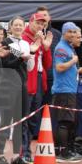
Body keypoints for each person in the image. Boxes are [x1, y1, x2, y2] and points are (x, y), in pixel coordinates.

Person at [52, 22, 82, 162]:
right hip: (64, 90)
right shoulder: (62, 48)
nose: (75, 36)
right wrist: (73, 61)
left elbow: (67, 70)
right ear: (65, 33)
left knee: (70, 121)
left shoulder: (68, 47)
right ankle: (63, 153)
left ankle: (68, 150)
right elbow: (59, 67)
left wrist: (79, 70)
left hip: (69, 89)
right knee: (65, 121)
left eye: (76, 33)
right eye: (72, 33)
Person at [0, 16, 31, 164]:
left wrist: (28, 60)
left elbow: (28, 67)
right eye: (15, 25)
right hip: (7, 85)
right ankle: (0, 155)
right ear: (10, 27)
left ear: (24, 27)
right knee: (5, 120)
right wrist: (21, 59)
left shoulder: (25, 43)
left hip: (22, 85)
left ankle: (17, 155)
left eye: (20, 25)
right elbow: (6, 63)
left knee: (20, 121)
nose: (18, 27)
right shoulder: (5, 43)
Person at [23, 13, 53, 156]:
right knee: (25, 117)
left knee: (34, 118)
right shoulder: (24, 38)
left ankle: (27, 150)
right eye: (38, 23)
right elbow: (22, 59)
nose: (40, 26)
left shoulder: (40, 39)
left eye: (42, 24)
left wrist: (46, 48)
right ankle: (24, 151)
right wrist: (33, 47)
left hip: (39, 80)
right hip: (27, 81)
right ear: (30, 22)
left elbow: (47, 65)